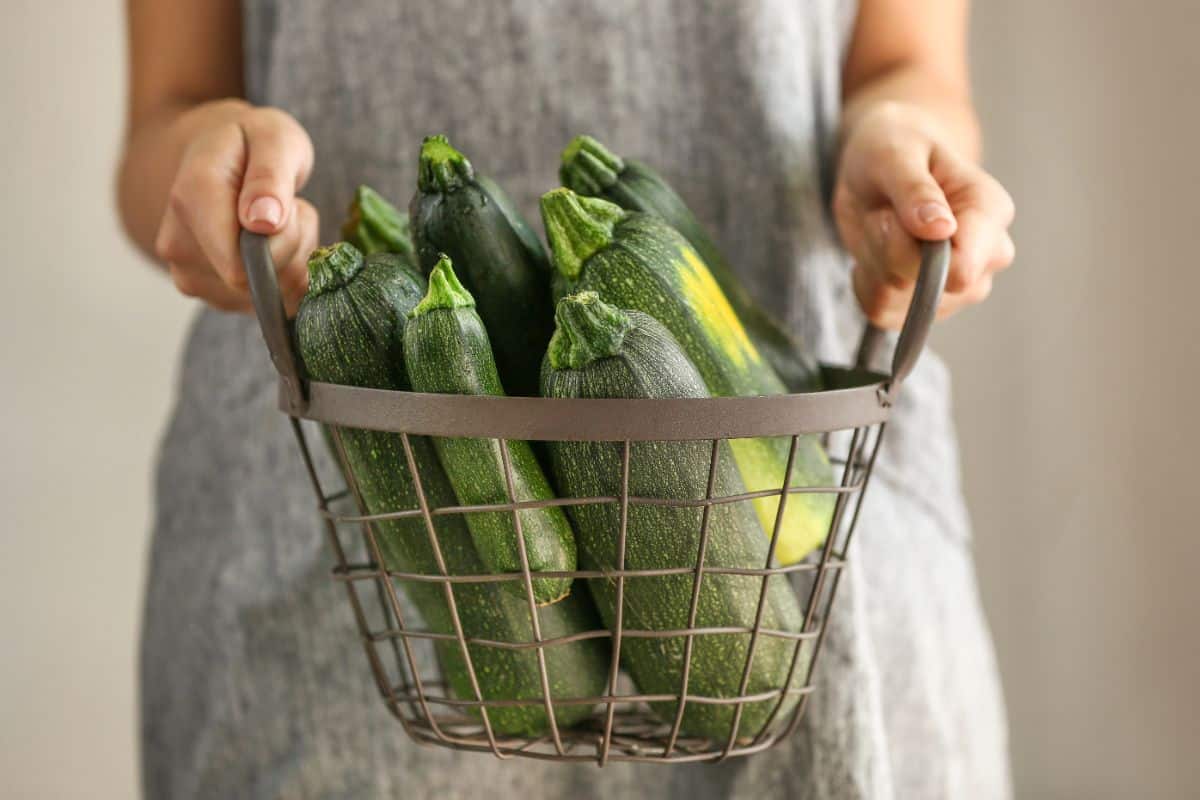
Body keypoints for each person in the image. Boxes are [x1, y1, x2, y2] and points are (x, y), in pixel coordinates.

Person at [119, 1, 1015, 797]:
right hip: (349, 493)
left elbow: (907, 62)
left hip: (798, 523)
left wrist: (902, 147)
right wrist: (213, 173)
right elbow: (170, 109)